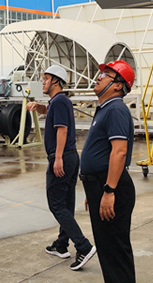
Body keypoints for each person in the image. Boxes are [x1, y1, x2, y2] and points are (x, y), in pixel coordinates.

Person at [26, 65, 96, 271]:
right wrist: (37, 106)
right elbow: (49, 111)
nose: (43, 82)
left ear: (56, 81)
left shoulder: (59, 101)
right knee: (66, 202)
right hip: (72, 157)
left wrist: (57, 158)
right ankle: (61, 245)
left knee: (56, 204)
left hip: (62, 157)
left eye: (46, 79)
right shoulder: (60, 101)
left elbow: (62, 129)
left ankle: (83, 246)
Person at [79, 60, 136, 283]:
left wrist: (109, 190)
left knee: (114, 251)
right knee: (107, 250)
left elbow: (119, 152)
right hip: (101, 185)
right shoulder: (105, 109)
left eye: (106, 75)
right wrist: (94, 190)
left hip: (113, 187)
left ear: (118, 85)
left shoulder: (116, 109)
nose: (99, 77)